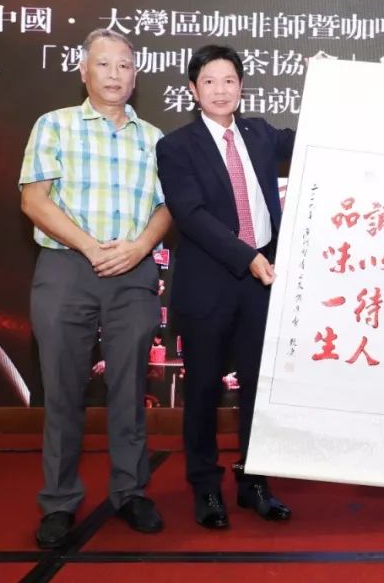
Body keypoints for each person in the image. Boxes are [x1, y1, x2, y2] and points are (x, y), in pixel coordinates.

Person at [20, 28, 171, 548]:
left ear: (135, 76)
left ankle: (131, 492)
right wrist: (89, 246)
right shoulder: (55, 125)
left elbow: (167, 207)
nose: (114, 75)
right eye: (103, 64)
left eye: (124, 66)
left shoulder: (155, 138)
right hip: (67, 267)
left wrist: (139, 247)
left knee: (129, 390)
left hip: (132, 271)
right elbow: (34, 201)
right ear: (83, 71)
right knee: (63, 391)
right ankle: (59, 502)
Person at [156, 45, 295, 529]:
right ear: (193, 90)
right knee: (202, 391)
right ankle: (206, 487)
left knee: (260, 388)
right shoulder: (176, 146)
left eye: (229, 80)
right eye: (209, 81)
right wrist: (247, 257)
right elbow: (191, 215)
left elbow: (319, 138)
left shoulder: (260, 133)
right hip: (210, 284)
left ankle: (255, 482)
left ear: (242, 87)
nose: (220, 90)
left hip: (262, 284)